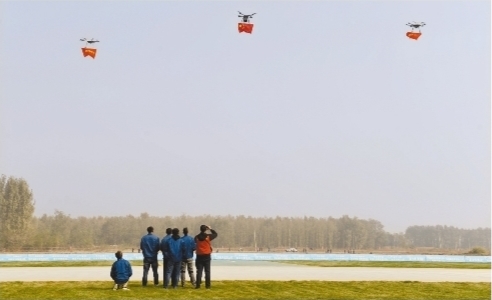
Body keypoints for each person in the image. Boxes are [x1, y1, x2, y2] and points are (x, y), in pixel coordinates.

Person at [194, 225, 217, 289]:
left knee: (199, 271)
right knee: (207, 271)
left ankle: (198, 285)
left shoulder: (196, 237)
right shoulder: (208, 236)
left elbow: (195, 242)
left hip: (199, 255)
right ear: (206, 229)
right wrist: (210, 229)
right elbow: (215, 234)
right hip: (207, 255)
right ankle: (208, 286)